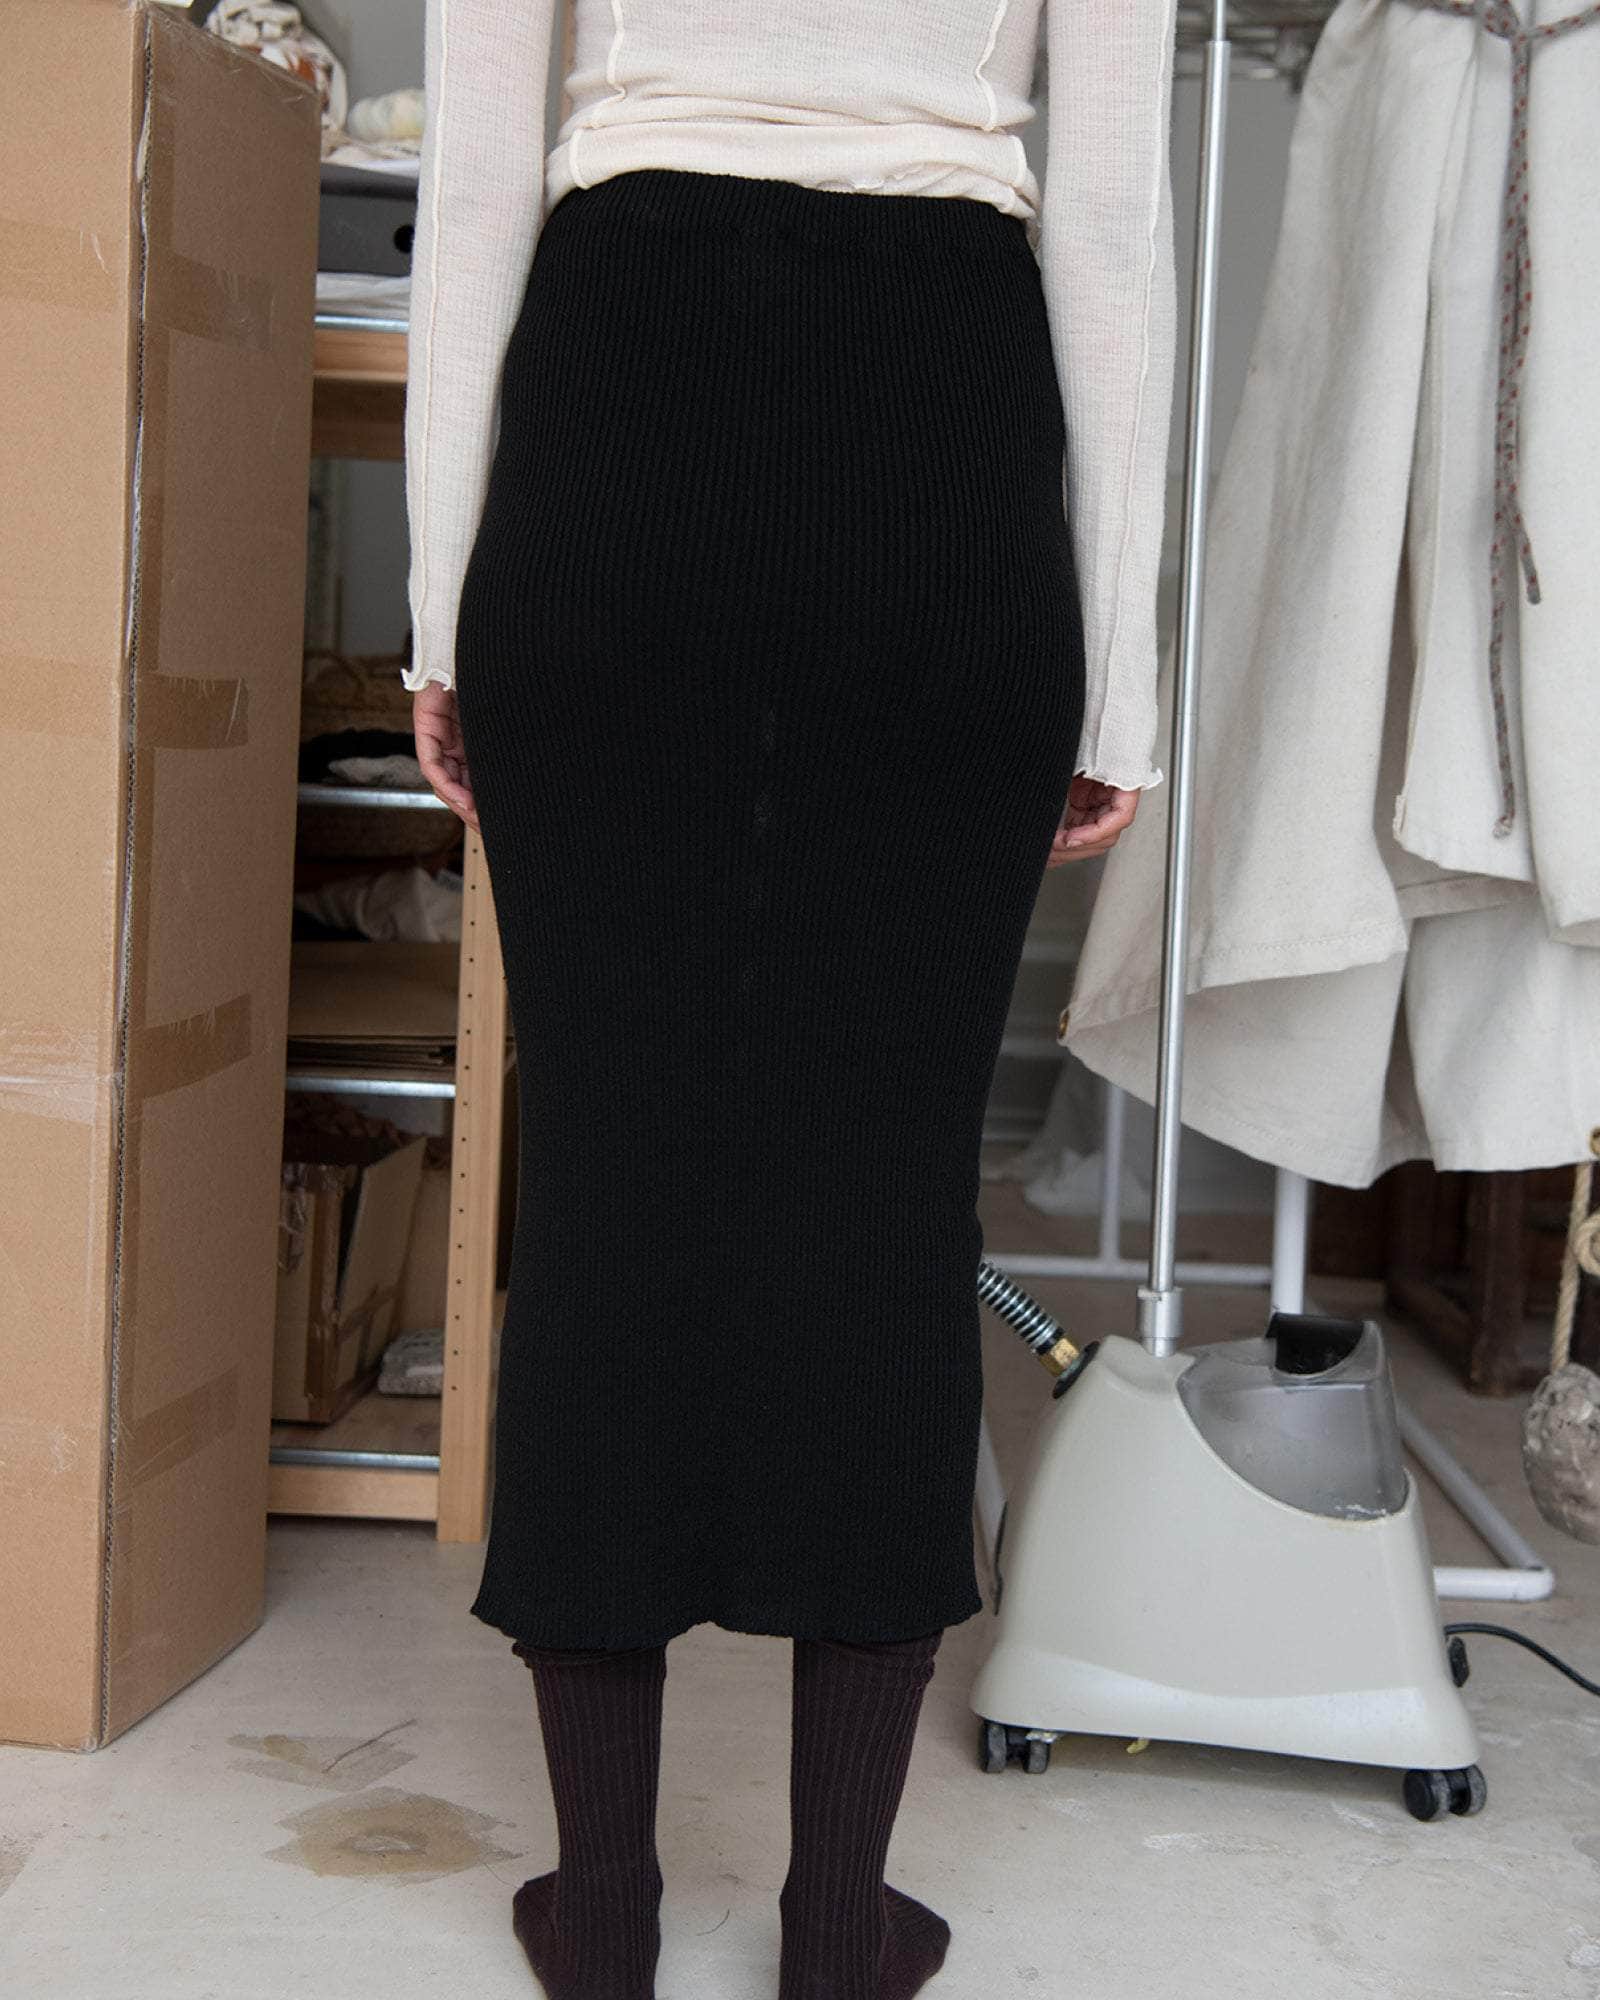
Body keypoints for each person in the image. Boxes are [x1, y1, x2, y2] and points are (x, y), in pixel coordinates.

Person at [402, 4, 1177, 1994]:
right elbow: (1105, 221)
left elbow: (475, 189)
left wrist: (437, 618)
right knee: (883, 1183)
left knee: (609, 1166)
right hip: (940, 415)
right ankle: (838, 1918)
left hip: (618, 395)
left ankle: (604, 1909)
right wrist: (1118, 684)